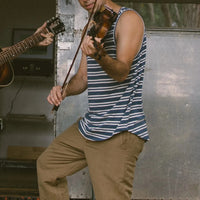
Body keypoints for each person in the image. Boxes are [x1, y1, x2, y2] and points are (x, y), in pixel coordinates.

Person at [37, 0, 149, 199]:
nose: (85, 0)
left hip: (119, 128)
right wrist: (63, 91)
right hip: (92, 125)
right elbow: (83, 78)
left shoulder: (128, 19)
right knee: (48, 167)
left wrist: (99, 55)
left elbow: (122, 72)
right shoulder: (92, 27)